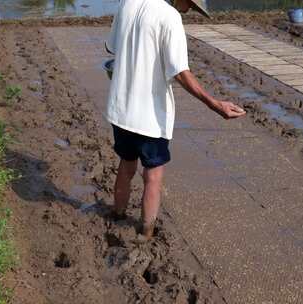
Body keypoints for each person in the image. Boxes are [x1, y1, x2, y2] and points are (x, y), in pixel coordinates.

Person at [104, 0, 246, 241]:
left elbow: (113, 49)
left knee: (126, 165)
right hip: (150, 116)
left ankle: (117, 214)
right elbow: (180, 72)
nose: (189, 9)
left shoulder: (127, 3)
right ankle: (146, 232)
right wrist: (214, 103)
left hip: (121, 108)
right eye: (190, 3)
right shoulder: (169, 17)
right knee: (153, 176)